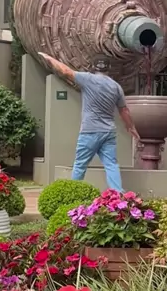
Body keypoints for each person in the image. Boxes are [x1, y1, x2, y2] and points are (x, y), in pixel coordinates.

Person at [38, 52, 141, 192]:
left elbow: (65, 71)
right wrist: (131, 127)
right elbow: (124, 110)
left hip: (90, 131)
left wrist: (48, 58)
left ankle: (74, 194)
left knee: (80, 165)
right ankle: (118, 195)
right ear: (109, 68)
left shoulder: (87, 79)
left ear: (93, 66)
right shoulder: (116, 87)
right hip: (108, 132)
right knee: (111, 165)